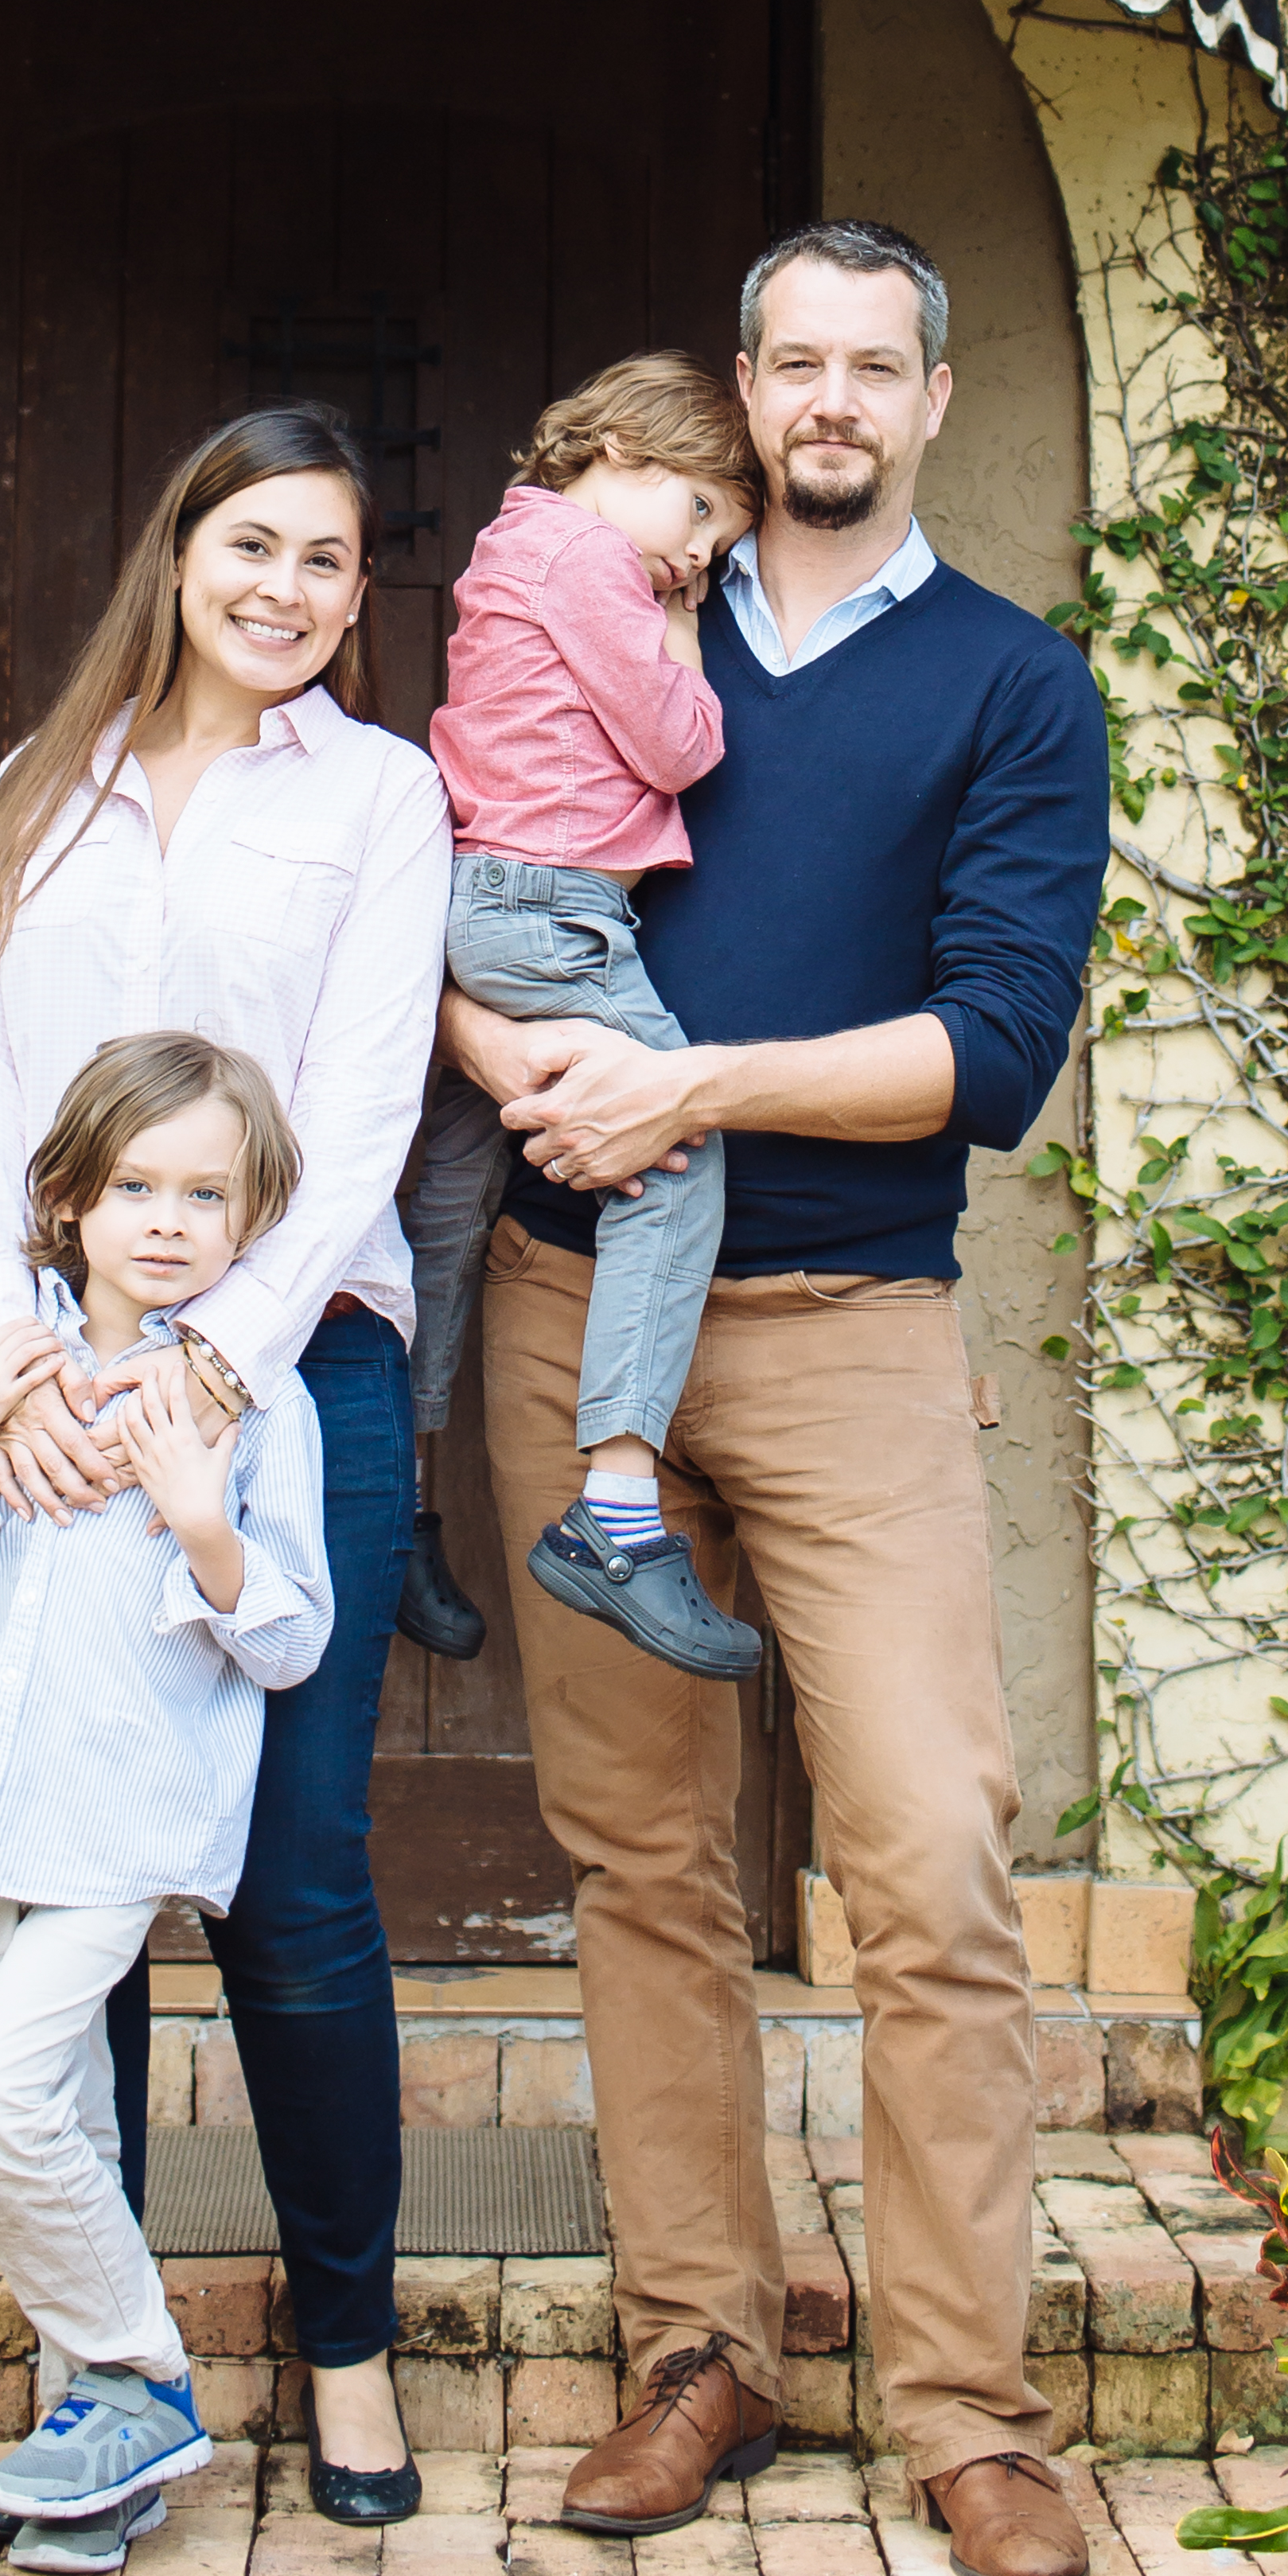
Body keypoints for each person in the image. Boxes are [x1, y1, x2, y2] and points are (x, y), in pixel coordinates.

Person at [442, 221, 1110, 2576]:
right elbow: (457, 877)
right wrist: (513, 1057)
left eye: (874, 366)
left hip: (844, 1330)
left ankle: (967, 2408)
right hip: (568, 1314)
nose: (829, 402)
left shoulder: (1015, 687)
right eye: (793, 362)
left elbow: (995, 1048)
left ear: (935, 397)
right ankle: (698, 2348)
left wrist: (691, 1087)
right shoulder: (623, 596)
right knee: (643, 1860)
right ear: (742, 386)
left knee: (929, 1857)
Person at [0, 404, 449, 2527]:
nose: (290, 591)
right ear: (181, 553)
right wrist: (10, 1350)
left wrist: (214, 1365)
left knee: (298, 1887)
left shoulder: (384, 799)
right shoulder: (34, 797)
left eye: (329, 561)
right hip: (49, 1389)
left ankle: (348, 2351)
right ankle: (103, 2379)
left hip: (296, 1380)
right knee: (74, 1871)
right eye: (256, 545)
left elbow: (368, 1093)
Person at [0, 1031, 332, 2571]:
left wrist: (207, 1526)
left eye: (205, 1193)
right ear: (71, 1201)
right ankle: (96, 2466)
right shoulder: (13, 1370)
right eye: (135, 1183)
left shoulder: (254, 1405)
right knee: (64, 2116)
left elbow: (292, 1640)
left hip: (123, 1823)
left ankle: (139, 2376)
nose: (165, 1217)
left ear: (252, 1221)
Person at [399, 353, 762, 1682]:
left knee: (447, 1197)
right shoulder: (590, 563)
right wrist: (685, 622)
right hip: (552, 910)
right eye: (706, 514)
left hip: (481, 899)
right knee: (673, 1151)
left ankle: (397, 1509)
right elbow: (681, 746)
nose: (704, 554)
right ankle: (617, 1511)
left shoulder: (517, 543)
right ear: (624, 447)